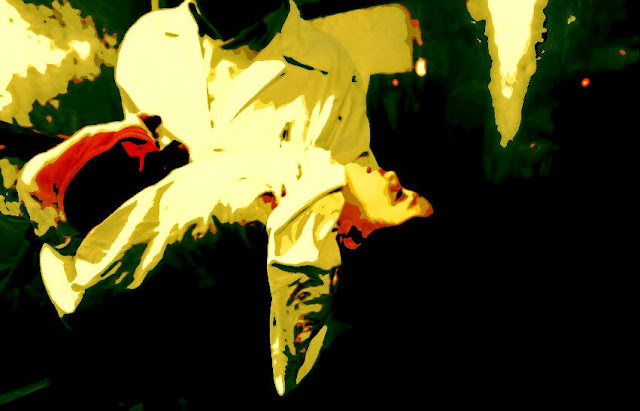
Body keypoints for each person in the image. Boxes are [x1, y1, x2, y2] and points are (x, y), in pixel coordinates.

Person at [16, 0, 428, 397]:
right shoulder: (149, 40)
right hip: (151, 324)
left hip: (248, 338)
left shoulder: (329, 65)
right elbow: (134, 190)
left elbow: (348, 220)